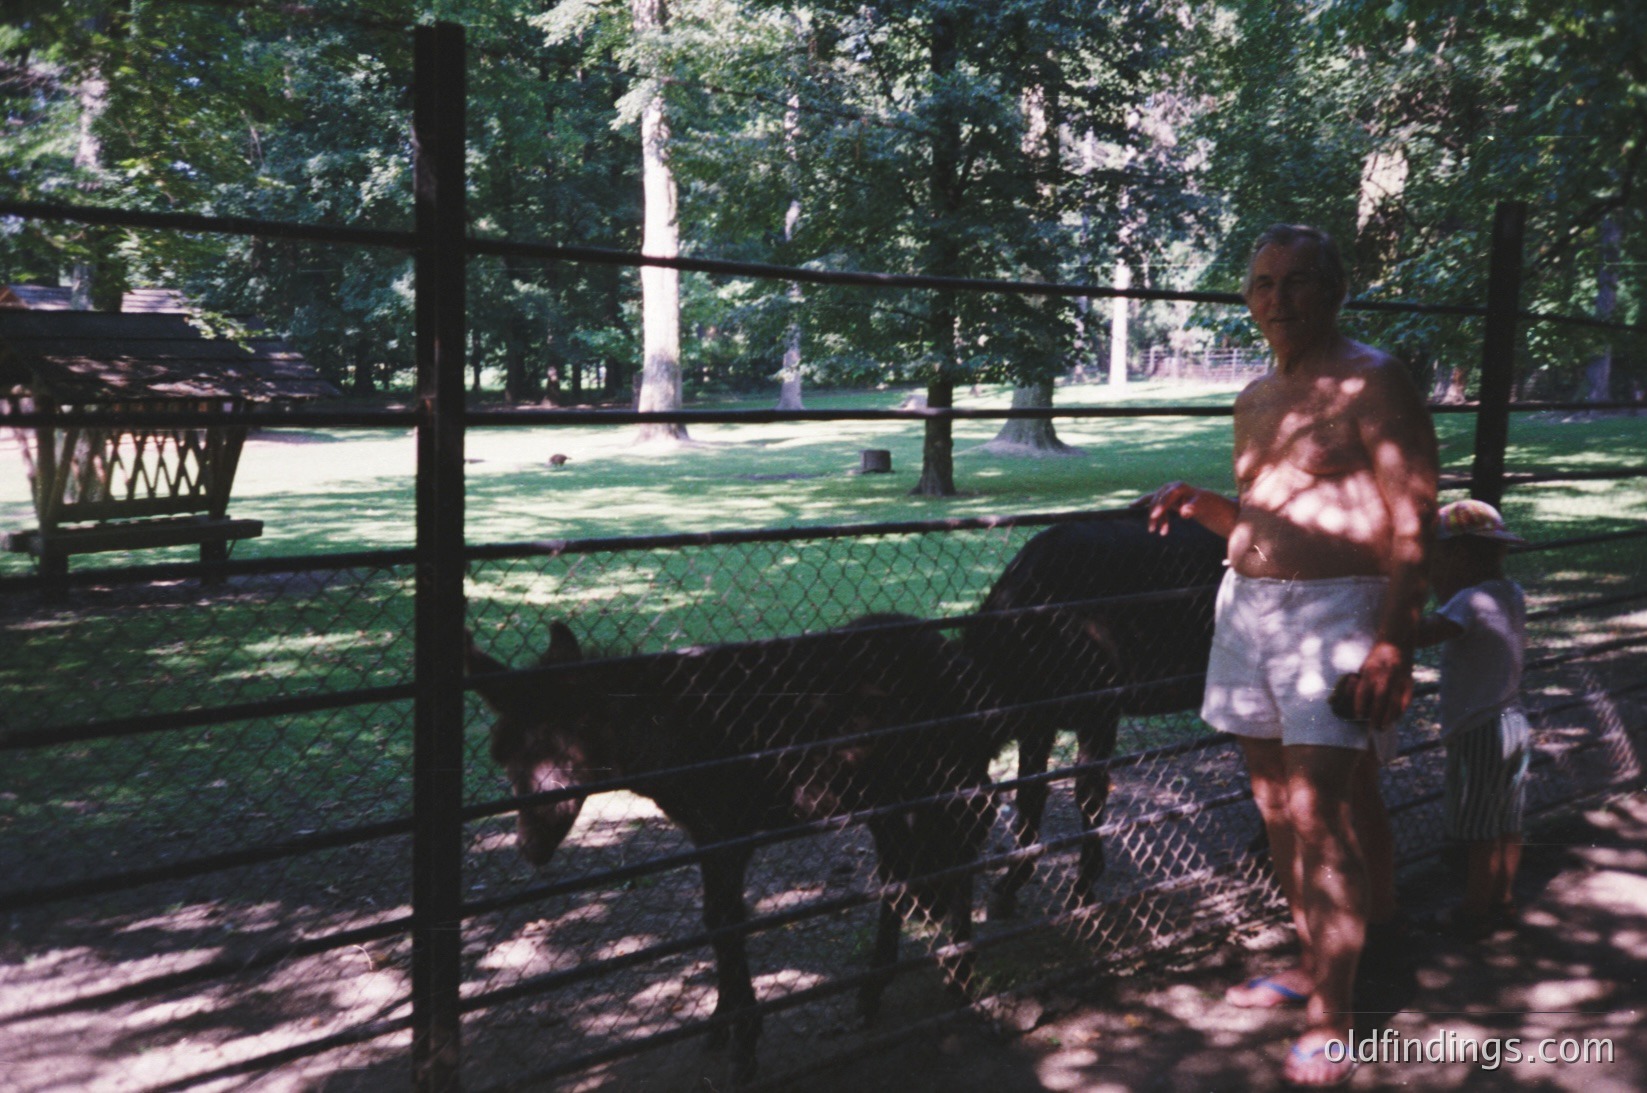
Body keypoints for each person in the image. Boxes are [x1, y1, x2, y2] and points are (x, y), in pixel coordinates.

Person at [1145, 224, 1438, 1087]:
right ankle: (1315, 966)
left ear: (1336, 289)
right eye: (1263, 283)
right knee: (1274, 806)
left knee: (1322, 813)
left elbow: (1414, 520)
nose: (1278, 300)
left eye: (1299, 282)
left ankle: (1333, 1017)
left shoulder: (1373, 378)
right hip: (1248, 614)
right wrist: (1203, 506)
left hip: (1337, 615)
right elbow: (1264, 517)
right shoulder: (1252, 396)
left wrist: (1393, 638)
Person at [1413, 498, 1529, 940]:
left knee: (1480, 829)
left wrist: (1391, 617)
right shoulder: (1510, 592)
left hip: (1479, 727)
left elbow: (1425, 633)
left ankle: (1474, 910)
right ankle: (1503, 898)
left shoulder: (1469, 600)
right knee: (1506, 821)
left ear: (1457, 555)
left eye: (1438, 556)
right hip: (1513, 719)